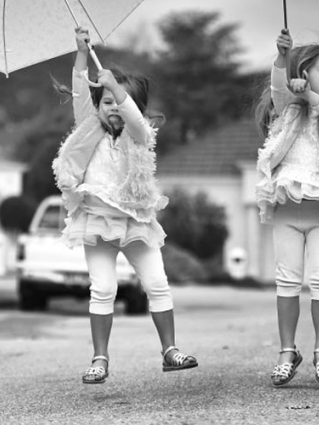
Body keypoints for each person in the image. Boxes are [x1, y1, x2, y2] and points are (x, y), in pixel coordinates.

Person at [52, 27, 197, 384]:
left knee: (157, 282)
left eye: (119, 101)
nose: (113, 108)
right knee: (103, 288)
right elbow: (79, 93)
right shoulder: (90, 130)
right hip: (98, 220)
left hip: (135, 221)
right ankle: (100, 357)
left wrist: (116, 88)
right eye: (106, 102)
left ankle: (170, 350)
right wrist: (82, 55)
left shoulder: (141, 135)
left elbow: (133, 118)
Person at [254, 29, 319, 387]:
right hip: (288, 208)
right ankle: (287, 351)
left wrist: (312, 95)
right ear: (304, 73)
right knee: (287, 280)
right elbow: (278, 88)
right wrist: (282, 58)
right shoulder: (287, 111)